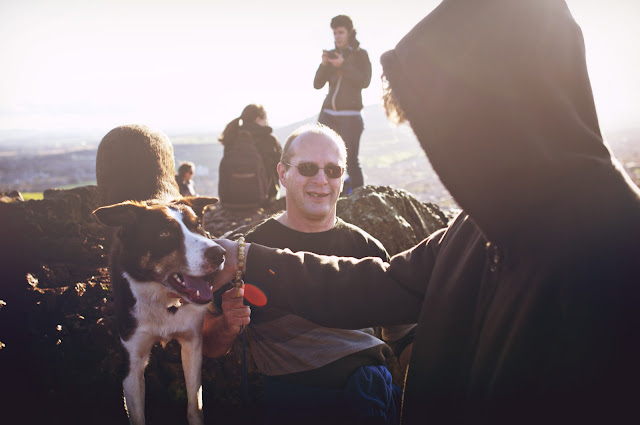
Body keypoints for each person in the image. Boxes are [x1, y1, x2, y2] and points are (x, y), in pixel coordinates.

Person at [210, 1, 640, 424]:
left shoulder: (614, 239)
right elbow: (381, 284)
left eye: (453, 124)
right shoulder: (477, 226)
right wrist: (250, 258)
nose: (448, 147)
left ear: (511, 105)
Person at [203, 124, 414, 424]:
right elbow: (210, 344)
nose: (321, 180)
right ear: (282, 174)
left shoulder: (366, 246)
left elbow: (404, 335)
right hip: (300, 403)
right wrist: (227, 323)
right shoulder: (248, 252)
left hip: (373, 398)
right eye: (307, 168)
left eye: (333, 170)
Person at [314, 14, 371, 191]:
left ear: (350, 33)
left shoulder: (361, 55)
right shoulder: (333, 55)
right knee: (322, 158)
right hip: (328, 115)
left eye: (340, 32)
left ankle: (359, 198)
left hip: (350, 117)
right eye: (334, 33)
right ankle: (326, 194)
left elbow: (365, 81)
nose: (337, 36)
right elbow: (317, 84)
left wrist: (343, 65)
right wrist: (324, 65)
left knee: (351, 160)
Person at [218, 104, 282, 203]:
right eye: (266, 118)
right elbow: (280, 166)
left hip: (232, 198)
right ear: (257, 119)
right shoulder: (269, 139)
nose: (267, 122)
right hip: (266, 197)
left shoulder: (231, 137)